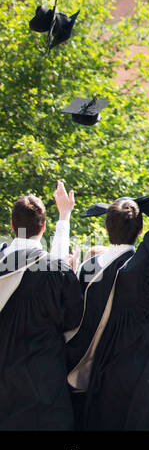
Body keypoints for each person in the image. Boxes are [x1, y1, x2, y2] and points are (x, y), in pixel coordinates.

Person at [66, 129, 149, 430]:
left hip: (102, 377)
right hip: (145, 379)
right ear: (139, 230)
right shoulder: (143, 268)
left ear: (106, 228)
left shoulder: (89, 270)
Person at [0, 184, 80, 429]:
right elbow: (74, 322)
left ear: (12, 226)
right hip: (46, 383)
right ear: (43, 227)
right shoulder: (57, 271)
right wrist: (64, 216)